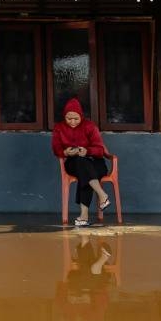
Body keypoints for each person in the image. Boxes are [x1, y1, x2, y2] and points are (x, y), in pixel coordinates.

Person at [52, 97, 110, 227]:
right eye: (69, 118)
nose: (72, 122)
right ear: (64, 117)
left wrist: (87, 151)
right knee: (82, 165)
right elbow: (56, 148)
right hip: (74, 162)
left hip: (95, 162)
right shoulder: (59, 128)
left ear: (81, 116)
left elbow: (100, 149)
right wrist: (66, 152)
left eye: (76, 119)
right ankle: (102, 195)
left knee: (85, 172)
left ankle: (84, 216)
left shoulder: (90, 126)